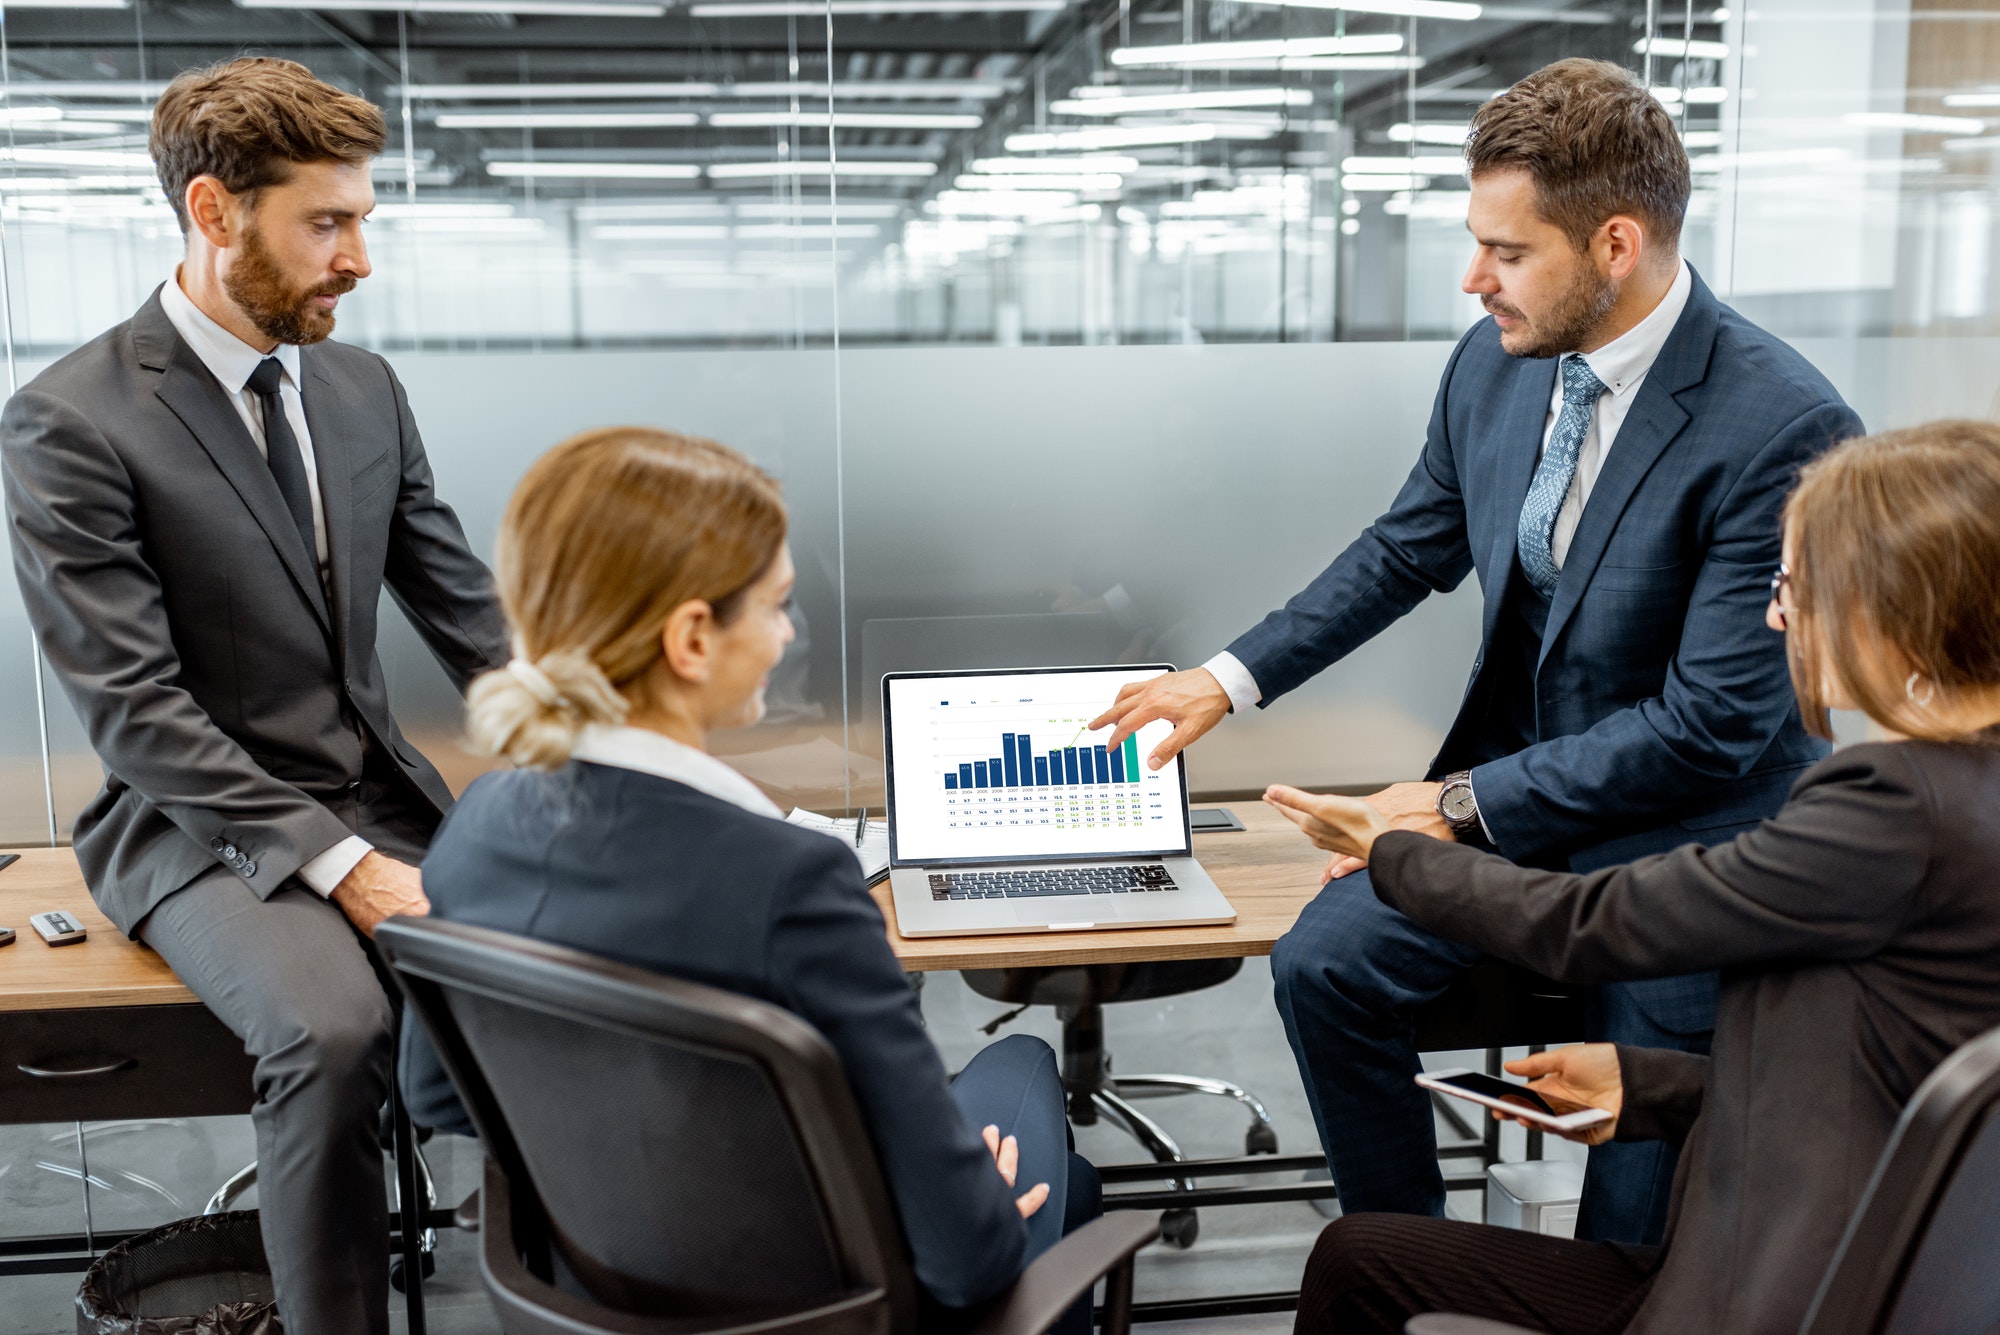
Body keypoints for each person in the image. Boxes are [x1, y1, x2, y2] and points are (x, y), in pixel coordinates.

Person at [1090, 58, 1863, 1243]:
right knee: (1325, 967)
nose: (1472, 280)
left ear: (1613, 244)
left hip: (1684, 836)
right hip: (1522, 806)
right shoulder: (1496, 368)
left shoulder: (1778, 424)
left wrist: (1451, 803)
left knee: (1630, 1235)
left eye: (1505, 252)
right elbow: (1405, 548)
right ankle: (1411, 1263)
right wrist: (1225, 680)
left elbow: (1708, 726)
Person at [1261, 419, 2000, 1334]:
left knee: (1360, 1259)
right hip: (1825, 1276)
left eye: (1793, 587)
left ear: (1894, 601)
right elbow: (1892, 1100)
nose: (1775, 617)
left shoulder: (1895, 804)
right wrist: (1649, 1088)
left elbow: (1595, 922)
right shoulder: (1969, 798)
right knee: (1365, 1252)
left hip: (1755, 1297)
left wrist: (1392, 848)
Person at [1, 59, 508, 1335]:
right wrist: (347, 869)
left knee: (558, 987)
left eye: (361, 224)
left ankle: (547, 1297)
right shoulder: (70, 421)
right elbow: (136, 711)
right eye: (324, 226)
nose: (357, 261)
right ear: (216, 213)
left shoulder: (360, 388)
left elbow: (469, 615)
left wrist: (618, 754)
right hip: (195, 822)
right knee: (331, 1039)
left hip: (374, 792)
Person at [398, 426, 1103, 1330]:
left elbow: (433, 1092)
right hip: (825, 1305)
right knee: (1025, 1072)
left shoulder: (477, 828)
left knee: (1065, 1183)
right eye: (775, 606)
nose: (786, 634)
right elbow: (967, 1264)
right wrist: (977, 1209)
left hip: (596, 1290)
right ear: (693, 636)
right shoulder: (791, 880)